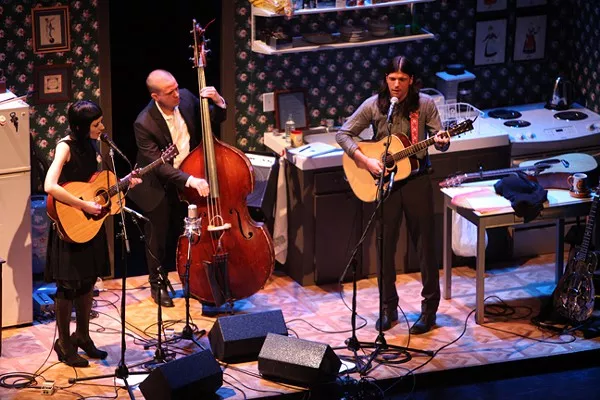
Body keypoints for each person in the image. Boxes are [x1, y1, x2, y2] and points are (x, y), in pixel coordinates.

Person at [336, 56, 450, 334]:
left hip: (417, 180)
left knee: (425, 246)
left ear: (411, 81)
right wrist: (365, 160)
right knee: (384, 246)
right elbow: (343, 134)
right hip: (385, 182)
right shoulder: (374, 105)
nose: (396, 84)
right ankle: (388, 308)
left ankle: (429, 311)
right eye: (391, 79)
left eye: (402, 79)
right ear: (385, 79)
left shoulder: (425, 106)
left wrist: (444, 141)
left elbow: (440, 139)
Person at [45, 100, 142, 367]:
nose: (102, 127)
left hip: (91, 224)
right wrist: (83, 205)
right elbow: (50, 185)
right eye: (96, 124)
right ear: (80, 126)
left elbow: (94, 185)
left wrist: (125, 184)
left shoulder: (92, 144)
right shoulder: (64, 147)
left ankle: (83, 336)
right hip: (70, 224)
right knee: (67, 287)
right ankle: (64, 344)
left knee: (88, 282)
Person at [127, 69, 227, 307]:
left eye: (176, 87)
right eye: (169, 92)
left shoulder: (187, 98)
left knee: (193, 230)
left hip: (190, 172)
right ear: (155, 96)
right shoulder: (144, 123)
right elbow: (159, 166)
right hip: (157, 183)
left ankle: (198, 279)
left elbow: (213, 118)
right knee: (158, 235)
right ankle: (158, 283)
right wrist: (190, 180)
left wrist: (219, 101)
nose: (176, 94)